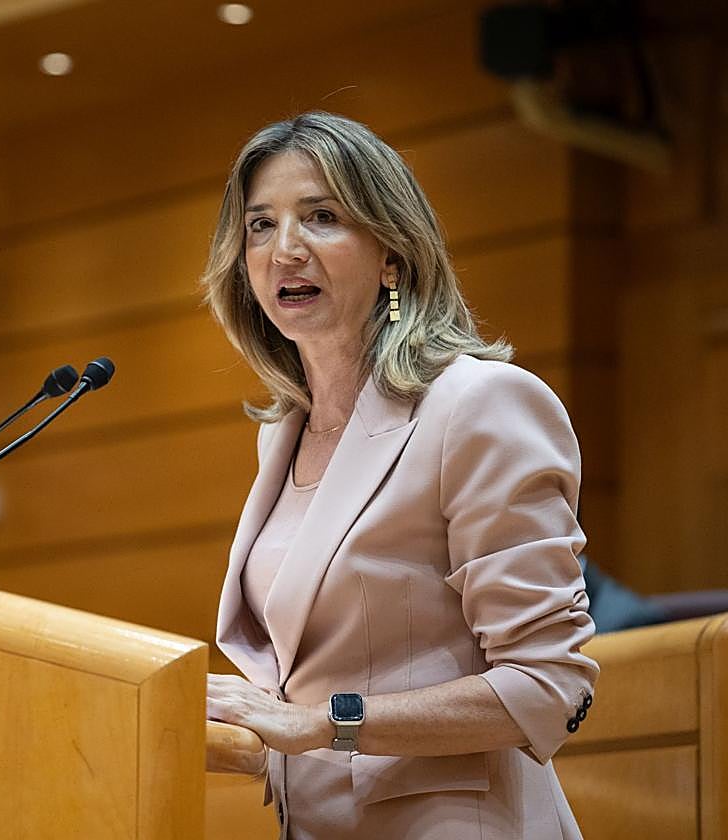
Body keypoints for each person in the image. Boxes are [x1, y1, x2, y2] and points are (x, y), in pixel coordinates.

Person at [201, 111, 598, 839]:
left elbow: (548, 687)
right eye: (261, 225)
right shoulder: (280, 437)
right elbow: (304, 683)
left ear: (392, 253)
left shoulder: (475, 405)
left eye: (321, 217)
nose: (285, 249)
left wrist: (326, 724)